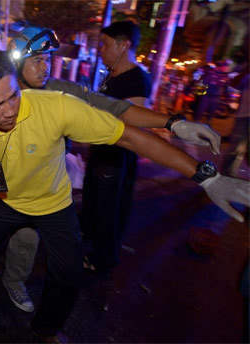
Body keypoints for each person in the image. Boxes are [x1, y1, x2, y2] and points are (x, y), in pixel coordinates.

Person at [0, 51, 248, 342]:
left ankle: (46, 329)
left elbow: (128, 135)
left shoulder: (56, 107)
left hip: (54, 206)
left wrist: (206, 176)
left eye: (13, 96)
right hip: (4, 203)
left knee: (68, 276)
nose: (9, 111)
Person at [80, 20, 151, 273]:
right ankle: (89, 244)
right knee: (93, 202)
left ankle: (103, 260)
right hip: (101, 152)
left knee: (108, 210)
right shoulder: (112, 75)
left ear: (123, 45)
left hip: (116, 157)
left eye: (105, 44)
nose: (101, 49)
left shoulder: (137, 79)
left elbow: (132, 122)